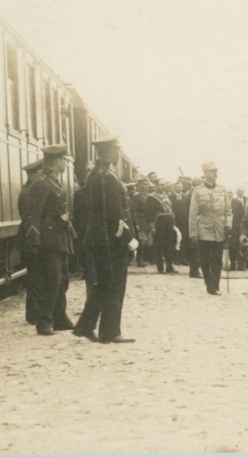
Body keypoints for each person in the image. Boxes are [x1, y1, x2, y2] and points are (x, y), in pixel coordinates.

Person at [73, 135, 137, 343]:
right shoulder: (106, 178)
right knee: (115, 284)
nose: (118, 153)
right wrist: (129, 239)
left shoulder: (97, 174)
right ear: (108, 152)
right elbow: (114, 216)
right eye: (116, 150)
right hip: (110, 241)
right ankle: (110, 331)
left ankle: (85, 326)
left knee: (104, 284)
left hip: (100, 238)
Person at [22, 145, 75, 336]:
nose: (66, 164)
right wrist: (35, 240)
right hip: (48, 239)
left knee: (61, 280)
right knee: (52, 280)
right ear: (57, 161)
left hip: (58, 237)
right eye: (65, 160)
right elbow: (33, 215)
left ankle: (60, 317)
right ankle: (44, 321)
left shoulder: (53, 182)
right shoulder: (42, 184)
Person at [188, 161, 232, 295]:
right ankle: (209, 283)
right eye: (212, 171)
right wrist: (193, 233)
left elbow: (228, 211)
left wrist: (228, 225)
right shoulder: (197, 191)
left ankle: (215, 285)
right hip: (204, 229)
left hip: (219, 229)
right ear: (205, 173)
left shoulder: (222, 190)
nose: (215, 174)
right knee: (205, 259)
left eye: (216, 171)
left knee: (217, 259)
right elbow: (193, 214)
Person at [18, 159, 45, 324]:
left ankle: (34, 314)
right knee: (36, 277)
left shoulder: (28, 190)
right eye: (40, 174)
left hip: (30, 236)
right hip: (31, 237)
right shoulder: (29, 192)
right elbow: (30, 219)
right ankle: (34, 315)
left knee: (36, 276)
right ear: (34, 175)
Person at [144, 182, 178, 274]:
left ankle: (169, 266)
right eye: (160, 185)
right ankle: (160, 267)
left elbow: (171, 208)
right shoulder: (151, 197)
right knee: (159, 245)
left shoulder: (166, 196)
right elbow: (149, 213)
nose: (162, 186)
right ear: (156, 186)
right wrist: (152, 226)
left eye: (163, 185)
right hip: (158, 222)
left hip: (169, 221)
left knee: (169, 244)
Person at [230, 188, 246, 271]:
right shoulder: (222, 203)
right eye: (227, 193)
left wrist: (240, 226)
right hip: (226, 228)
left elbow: (243, 215)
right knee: (230, 247)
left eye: (230, 193)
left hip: (236, 228)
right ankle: (232, 264)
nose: (229, 194)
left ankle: (240, 265)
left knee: (238, 246)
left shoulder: (237, 203)